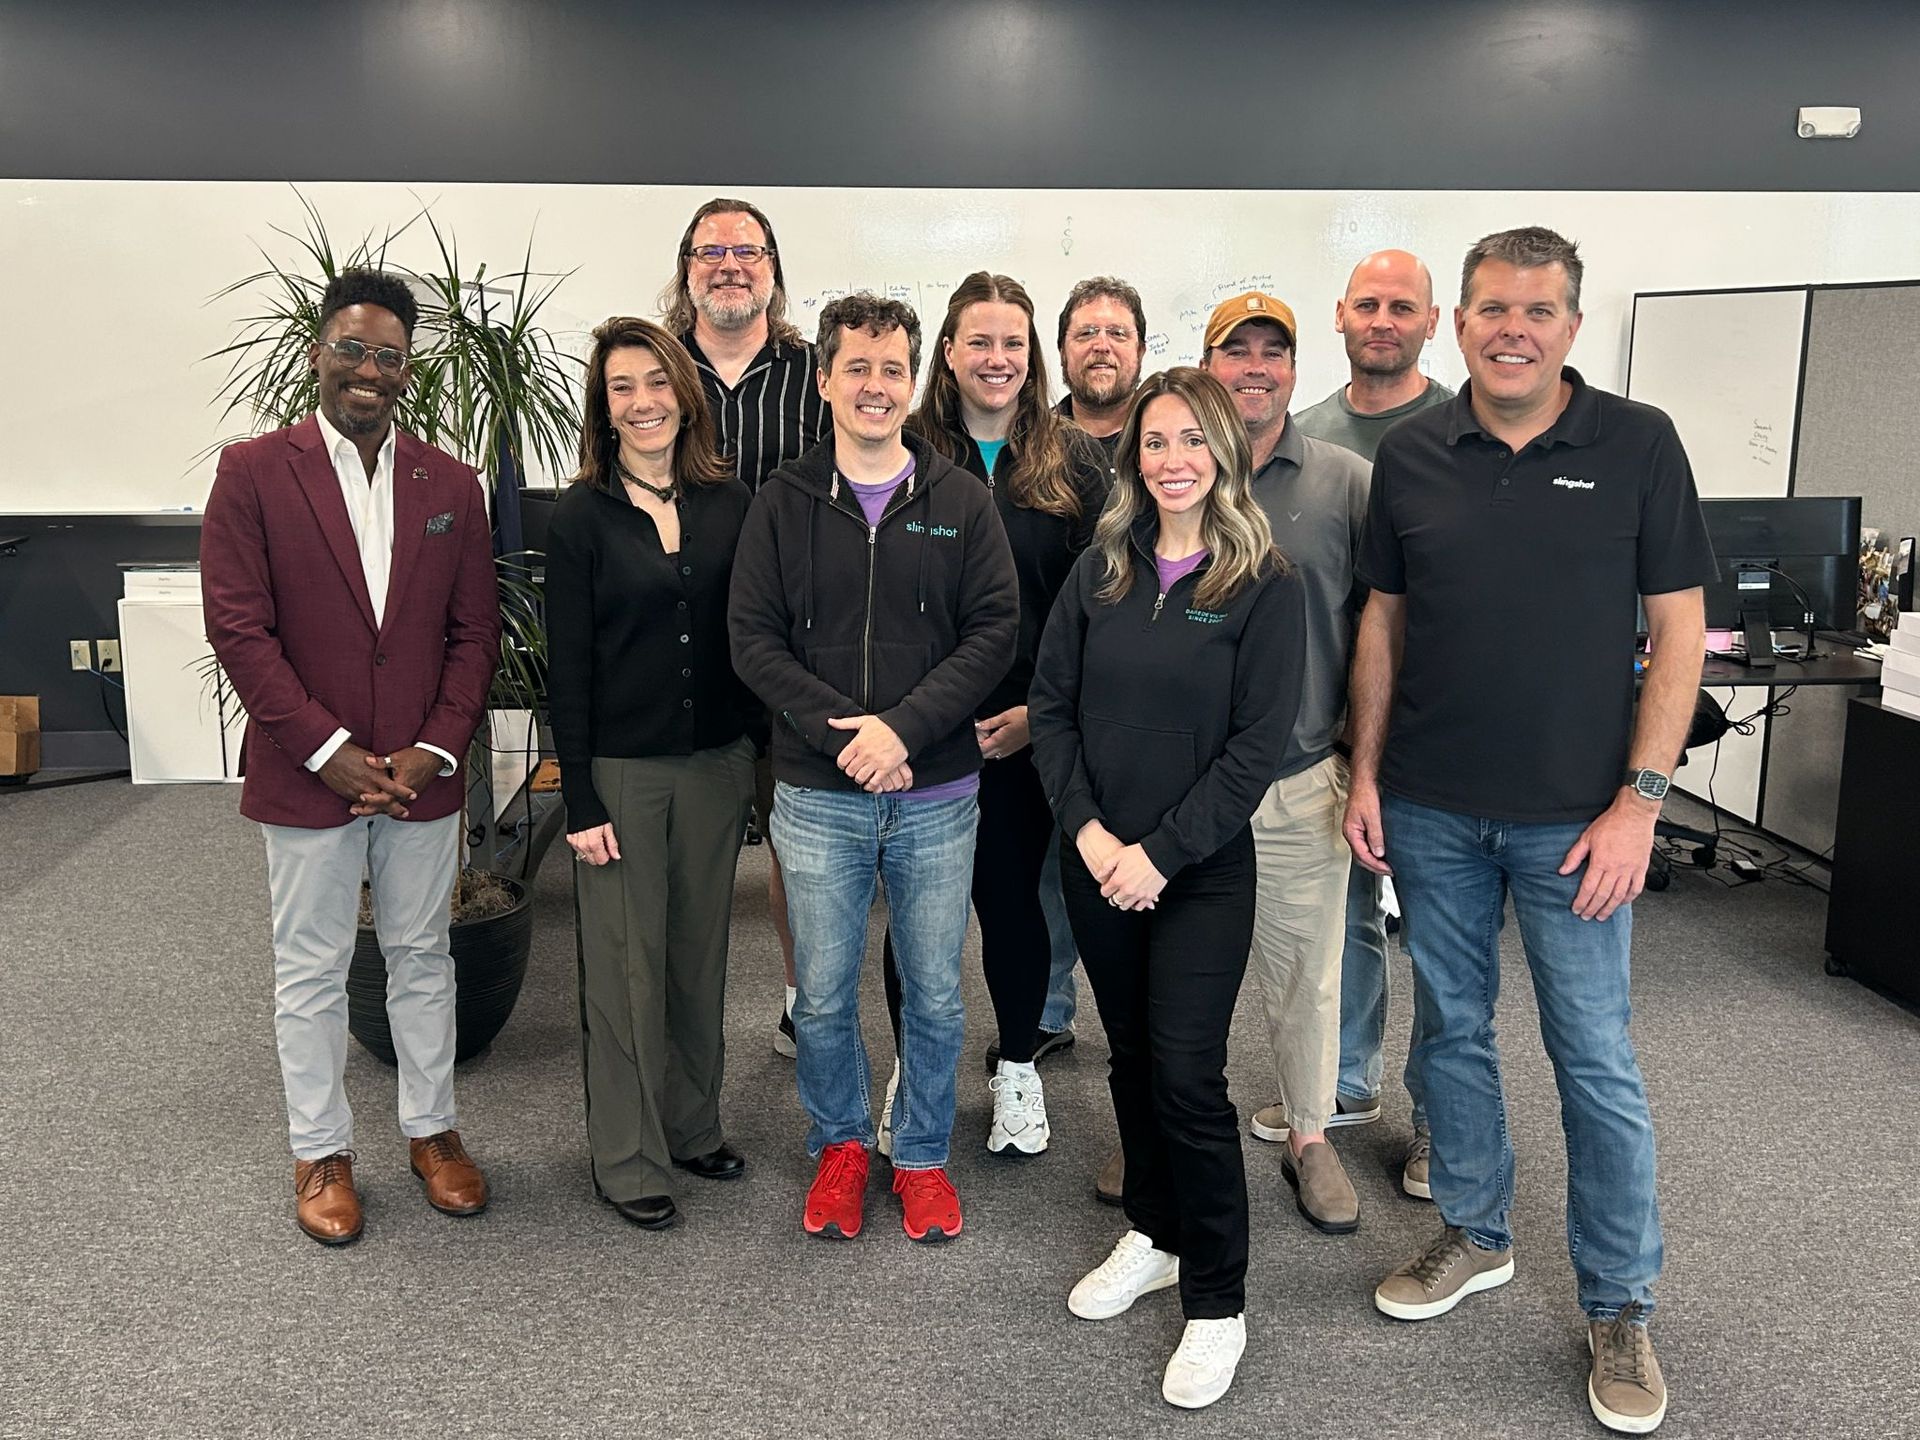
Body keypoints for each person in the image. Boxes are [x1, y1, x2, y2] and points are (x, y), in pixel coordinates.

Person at [1346, 227, 1713, 1435]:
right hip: (1434, 809)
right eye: (1494, 308)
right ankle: (1477, 1231)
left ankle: (1619, 1303)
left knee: (1593, 1060)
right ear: (1459, 324)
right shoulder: (1410, 456)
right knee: (1452, 1034)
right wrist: (1366, 773)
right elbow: (1384, 628)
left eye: (1539, 310)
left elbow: (1677, 632)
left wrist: (1640, 805)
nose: (1515, 328)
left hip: (1579, 825)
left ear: (1571, 324)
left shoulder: (1638, 443)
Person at [201, 268, 500, 1246]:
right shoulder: (253, 472)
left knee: (423, 955)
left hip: (420, 779)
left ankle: (431, 1130)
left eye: (388, 356)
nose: (367, 370)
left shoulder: (451, 484)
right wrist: (328, 749)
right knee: (312, 967)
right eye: (351, 348)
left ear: (407, 370)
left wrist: (435, 748)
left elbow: (473, 635)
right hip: (306, 772)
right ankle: (321, 1150)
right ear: (318, 351)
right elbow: (240, 632)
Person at [1031, 367, 1305, 1409]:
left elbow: (1255, 750)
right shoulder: (1102, 571)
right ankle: (1152, 1230)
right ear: (1134, 459)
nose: (1173, 459)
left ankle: (1218, 1299)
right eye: (1155, 442)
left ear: (1225, 452)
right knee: (1131, 1062)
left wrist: (1158, 855)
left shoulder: (1265, 583)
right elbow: (1050, 710)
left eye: (1193, 439)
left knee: (1189, 1079)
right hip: (1096, 861)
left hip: (1195, 875)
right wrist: (1096, 837)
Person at [729, 293, 1018, 1244]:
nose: (876, 386)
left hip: (936, 791)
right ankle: (843, 1145)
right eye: (857, 367)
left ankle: (924, 1154)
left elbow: (992, 635)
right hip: (817, 793)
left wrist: (902, 731)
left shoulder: (960, 499)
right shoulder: (783, 500)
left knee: (934, 988)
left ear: (913, 380)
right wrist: (846, 735)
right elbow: (753, 641)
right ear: (825, 381)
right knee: (820, 990)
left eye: (892, 369)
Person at [874, 271, 1110, 1159]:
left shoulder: (1075, 460)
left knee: (1015, 906)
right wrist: (909, 718)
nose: (998, 358)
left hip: (1024, 730)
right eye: (979, 341)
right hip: (923, 735)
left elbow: (1092, 608)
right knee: (920, 915)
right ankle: (913, 1064)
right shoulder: (898, 450)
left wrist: (1036, 717)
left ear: (1032, 356)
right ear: (946, 351)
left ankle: (1017, 1064)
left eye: (1013, 343)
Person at [545, 317, 760, 1231]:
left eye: (656, 383)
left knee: (698, 954)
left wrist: (753, 756)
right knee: (626, 968)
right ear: (605, 406)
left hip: (716, 767)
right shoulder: (581, 516)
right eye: (622, 388)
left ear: (685, 392)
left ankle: (691, 1123)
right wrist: (581, 794)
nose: (643, 403)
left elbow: (750, 638)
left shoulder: (731, 504)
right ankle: (627, 1156)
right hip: (624, 773)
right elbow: (567, 665)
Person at [1201, 292, 1371, 1234]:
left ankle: (1310, 1136)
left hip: (1299, 775)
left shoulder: (1345, 481)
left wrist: (1365, 759)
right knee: (1179, 967)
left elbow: (1382, 628)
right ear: (1209, 364)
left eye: (1275, 352)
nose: (1256, 368)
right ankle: (1173, 1121)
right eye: (1237, 351)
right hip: (1186, 783)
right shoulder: (1172, 471)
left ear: (1295, 370)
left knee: (1307, 972)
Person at [1294, 249, 1456, 1205]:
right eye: (1367, 305)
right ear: (1341, 317)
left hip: (1439, 731)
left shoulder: (1461, 432)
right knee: (1342, 918)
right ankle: (1346, 1079)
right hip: (1335, 728)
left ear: (1433, 321)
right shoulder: (1306, 432)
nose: (1383, 320)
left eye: (1403, 306)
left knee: (1440, 931)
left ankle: (1437, 1119)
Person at [660, 197, 832, 1060]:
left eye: (748, 251)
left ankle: (803, 1002)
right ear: (685, 267)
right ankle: (677, 1029)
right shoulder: (652, 373)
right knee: (685, 862)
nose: (730, 264)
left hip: (789, 658)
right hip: (675, 657)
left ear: (773, 269)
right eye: (711, 250)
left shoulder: (816, 377)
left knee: (794, 854)